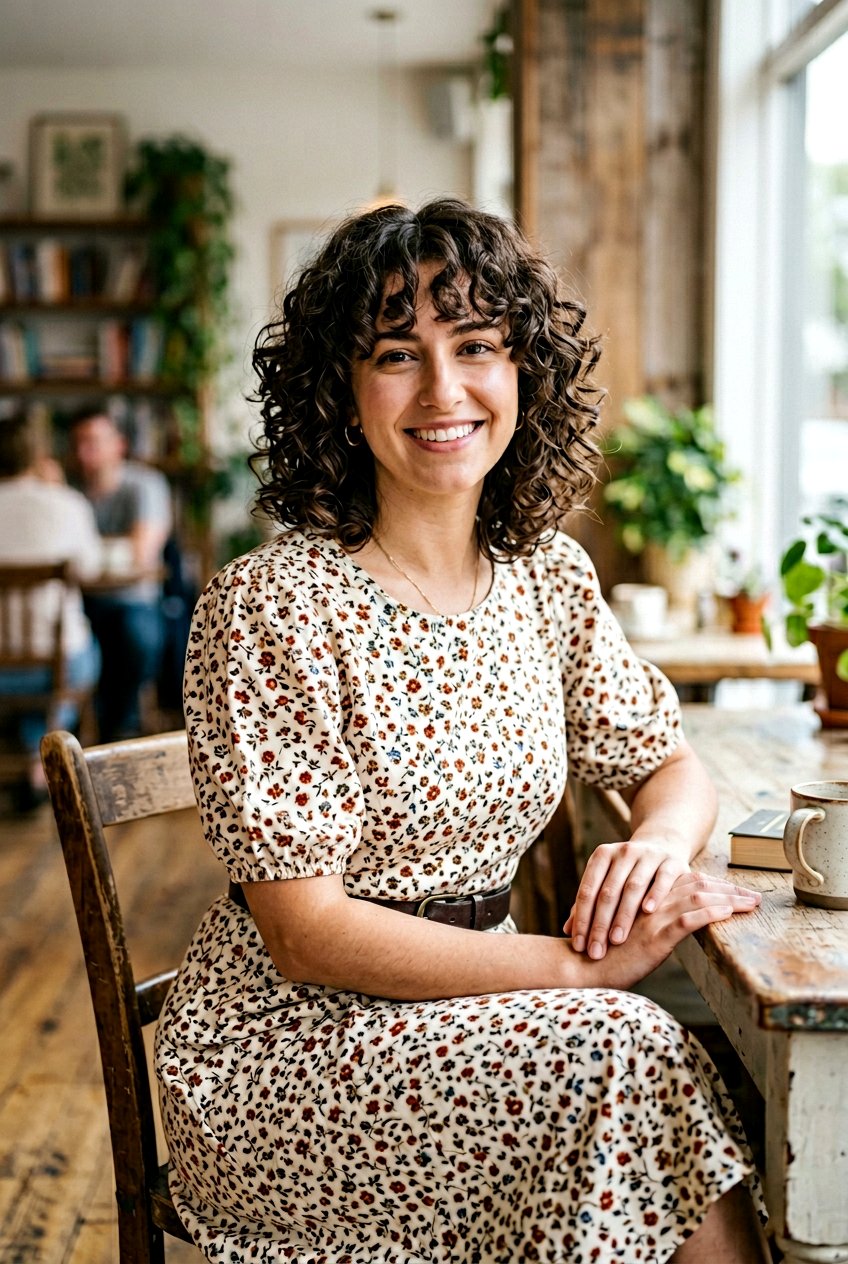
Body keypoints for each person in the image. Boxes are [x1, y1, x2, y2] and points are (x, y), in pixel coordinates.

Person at [155, 199, 770, 1263]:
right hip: (292, 1055)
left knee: (635, 1068)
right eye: (397, 354)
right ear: (342, 395)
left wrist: (655, 845)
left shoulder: (544, 576)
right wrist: (570, 970)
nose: (443, 391)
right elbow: (304, 932)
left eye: (475, 346)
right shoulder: (271, 604)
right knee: (624, 1054)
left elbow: (666, 760)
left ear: (522, 370)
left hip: (476, 1006)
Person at [0, 414, 101, 803]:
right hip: (57, 669)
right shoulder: (66, 504)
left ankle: (31, 756)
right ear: (37, 455)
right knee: (87, 654)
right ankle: (41, 764)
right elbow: (90, 570)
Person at [66, 409, 171, 741]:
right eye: (79, 443)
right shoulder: (68, 493)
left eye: (94, 442)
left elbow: (142, 553)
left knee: (137, 638)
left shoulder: (145, 484)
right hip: (80, 602)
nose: (85, 452)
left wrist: (91, 551)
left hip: (132, 601)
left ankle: (118, 734)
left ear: (119, 445)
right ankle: (71, 737)